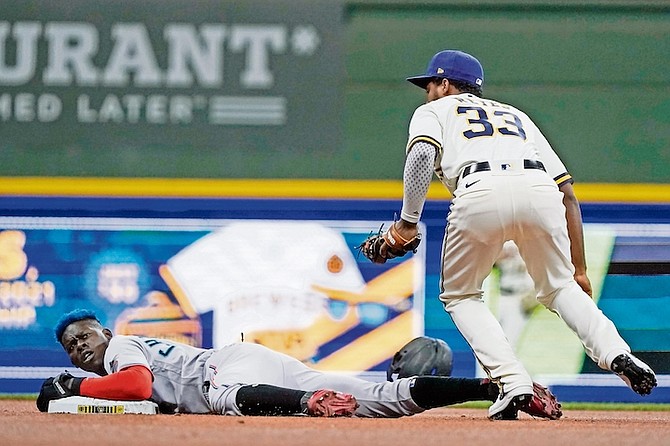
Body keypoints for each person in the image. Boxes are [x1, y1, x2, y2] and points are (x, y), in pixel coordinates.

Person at [385, 49, 657, 419]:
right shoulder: (515, 115)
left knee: (462, 296)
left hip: (479, 186)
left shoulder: (433, 111)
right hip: (538, 187)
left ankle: (513, 382)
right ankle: (616, 352)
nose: (427, 91)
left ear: (445, 84)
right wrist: (578, 269)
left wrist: (407, 221)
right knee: (561, 288)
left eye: (430, 83)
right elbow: (568, 193)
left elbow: (419, 156)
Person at [37, 309, 561, 419]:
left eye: (84, 336)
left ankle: (306, 404)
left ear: (104, 331)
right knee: (379, 401)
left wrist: (76, 390)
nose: (79, 348)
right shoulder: (114, 355)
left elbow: (131, 387)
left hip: (228, 371)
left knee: (222, 402)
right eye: (70, 346)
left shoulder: (120, 349)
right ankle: (501, 389)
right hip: (259, 363)